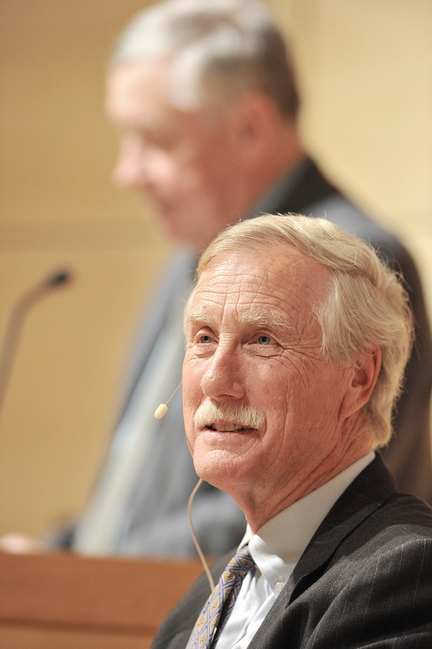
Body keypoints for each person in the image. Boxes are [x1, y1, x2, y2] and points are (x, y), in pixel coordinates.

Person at [3, 0, 430, 557]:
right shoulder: (194, 258)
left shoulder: (351, 263)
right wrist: (61, 554)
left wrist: (97, 567)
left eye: (153, 140)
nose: (126, 172)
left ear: (249, 128)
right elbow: (142, 486)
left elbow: (308, 495)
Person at [151, 213, 432, 649]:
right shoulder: (198, 603)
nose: (214, 380)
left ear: (358, 376)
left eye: (262, 340)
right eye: (204, 338)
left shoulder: (406, 571)